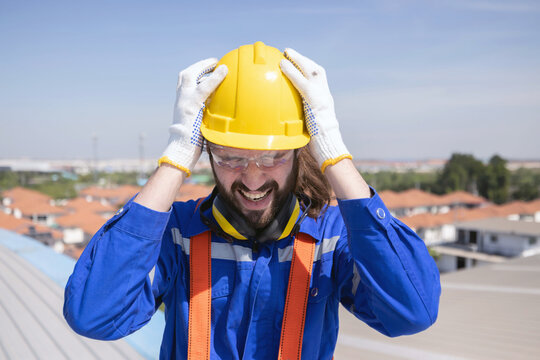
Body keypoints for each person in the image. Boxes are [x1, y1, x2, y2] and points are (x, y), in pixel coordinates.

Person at [64, 42, 441, 360]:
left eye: (273, 157)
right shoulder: (178, 234)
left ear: (300, 151)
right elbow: (93, 314)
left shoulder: (330, 237)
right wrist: (176, 155)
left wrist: (334, 151)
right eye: (231, 158)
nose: (253, 177)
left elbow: (412, 312)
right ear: (205, 153)